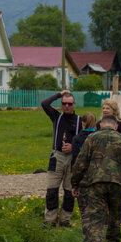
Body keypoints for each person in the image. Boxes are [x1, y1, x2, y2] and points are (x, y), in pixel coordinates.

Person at [71, 115, 121, 242]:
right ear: (115, 126)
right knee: (114, 217)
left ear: (100, 125)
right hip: (117, 183)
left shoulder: (91, 138)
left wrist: (75, 184)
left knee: (96, 217)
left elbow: (80, 163)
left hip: (96, 183)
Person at [41, 90, 80, 227]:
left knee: (69, 192)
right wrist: (59, 94)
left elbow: (85, 141)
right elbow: (44, 104)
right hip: (57, 156)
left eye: (69, 104)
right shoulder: (56, 117)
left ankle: (65, 220)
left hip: (72, 159)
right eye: (64, 104)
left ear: (74, 104)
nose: (67, 106)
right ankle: (49, 220)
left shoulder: (80, 121)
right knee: (52, 190)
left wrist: (73, 148)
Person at [71, 113, 99, 242]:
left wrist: (74, 184)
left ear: (82, 123)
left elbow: (76, 162)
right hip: (99, 178)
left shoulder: (77, 139)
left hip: (83, 179)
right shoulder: (100, 138)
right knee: (97, 212)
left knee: (85, 212)